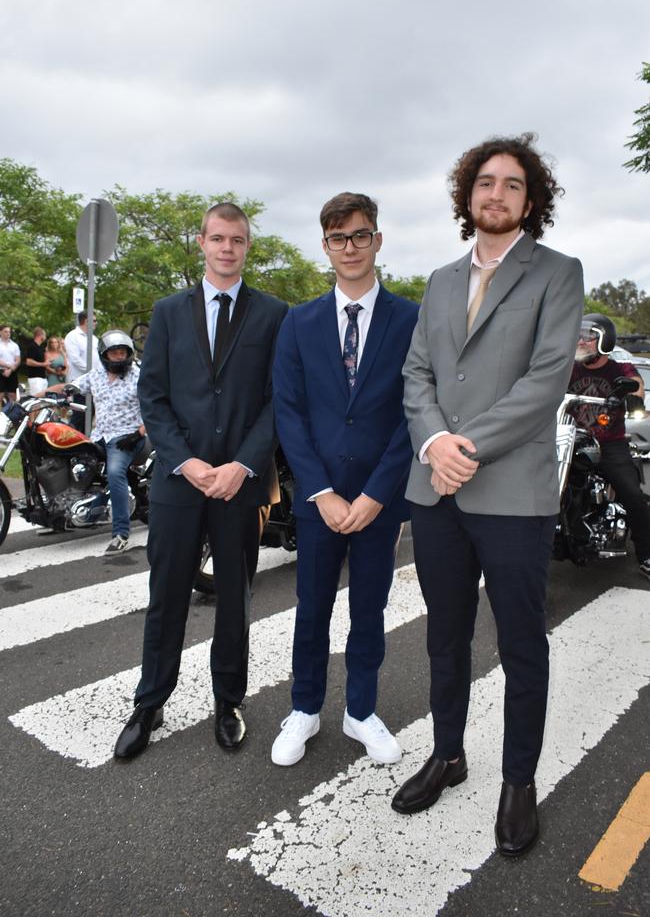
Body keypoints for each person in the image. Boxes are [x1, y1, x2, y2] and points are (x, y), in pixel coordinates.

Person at [393, 133, 584, 858]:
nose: (495, 194)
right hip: (435, 490)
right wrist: (433, 444)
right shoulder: (440, 280)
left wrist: (461, 448)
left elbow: (544, 383)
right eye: (484, 183)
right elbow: (418, 376)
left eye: (510, 184)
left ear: (530, 201)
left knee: (521, 644)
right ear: (466, 197)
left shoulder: (557, 273)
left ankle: (519, 781)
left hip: (510, 493)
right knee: (443, 637)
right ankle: (447, 755)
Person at [113, 202, 288, 761]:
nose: (227, 248)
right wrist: (185, 461)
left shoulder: (273, 314)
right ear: (201, 242)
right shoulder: (167, 312)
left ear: (247, 246)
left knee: (235, 595)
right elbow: (154, 396)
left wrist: (242, 465)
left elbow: (277, 401)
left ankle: (227, 701)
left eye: (237, 240)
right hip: (178, 479)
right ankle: (150, 703)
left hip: (241, 482)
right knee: (166, 595)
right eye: (218, 238)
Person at [271, 192, 419, 767]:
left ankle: (361, 712)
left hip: (380, 500)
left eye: (360, 235)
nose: (350, 247)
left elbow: (416, 411)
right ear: (326, 247)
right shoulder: (299, 322)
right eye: (338, 238)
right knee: (311, 611)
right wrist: (322, 491)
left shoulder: (411, 318)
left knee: (369, 610)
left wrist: (379, 493)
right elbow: (289, 412)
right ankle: (304, 709)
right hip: (319, 501)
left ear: (377, 240)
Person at [48, 330, 146, 555]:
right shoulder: (96, 375)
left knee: (114, 473)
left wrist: (139, 433)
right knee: (70, 462)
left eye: (123, 353)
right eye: (115, 353)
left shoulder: (139, 376)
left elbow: (156, 408)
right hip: (99, 435)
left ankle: (121, 534)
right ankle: (58, 514)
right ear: (105, 355)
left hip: (126, 438)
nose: (119, 357)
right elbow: (69, 387)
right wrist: (40, 396)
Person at [568, 313, 650, 578]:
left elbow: (636, 384)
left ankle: (646, 554)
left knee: (633, 495)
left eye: (588, 337)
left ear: (604, 341)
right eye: (578, 336)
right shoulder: (569, 367)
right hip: (570, 439)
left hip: (608, 444)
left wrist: (632, 396)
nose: (580, 341)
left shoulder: (618, 369)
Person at [64, 311, 100, 432]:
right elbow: (75, 359)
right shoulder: (73, 336)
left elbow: (98, 359)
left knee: (91, 412)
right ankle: (70, 438)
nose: (96, 323)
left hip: (94, 382)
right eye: (94, 320)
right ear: (86, 321)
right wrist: (91, 371)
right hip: (80, 382)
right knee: (80, 413)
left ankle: (84, 440)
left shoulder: (94, 339)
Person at [25, 326, 49, 395]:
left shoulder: (41, 347)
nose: (45, 337)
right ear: (40, 335)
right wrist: (43, 364)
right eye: (44, 334)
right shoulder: (32, 346)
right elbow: (29, 361)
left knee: (43, 399)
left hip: (42, 377)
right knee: (36, 398)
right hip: (35, 378)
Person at [0, 324, 21, 403]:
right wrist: (9, 366)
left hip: (12, 372)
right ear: (0, 332)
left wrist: (10, 370)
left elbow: (18, 360)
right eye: (5, 332)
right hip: (1, 371)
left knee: (12, 396)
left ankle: (10, 414)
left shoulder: (14, 345)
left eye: (9, 332)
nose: (8, 333)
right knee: (0, 395)